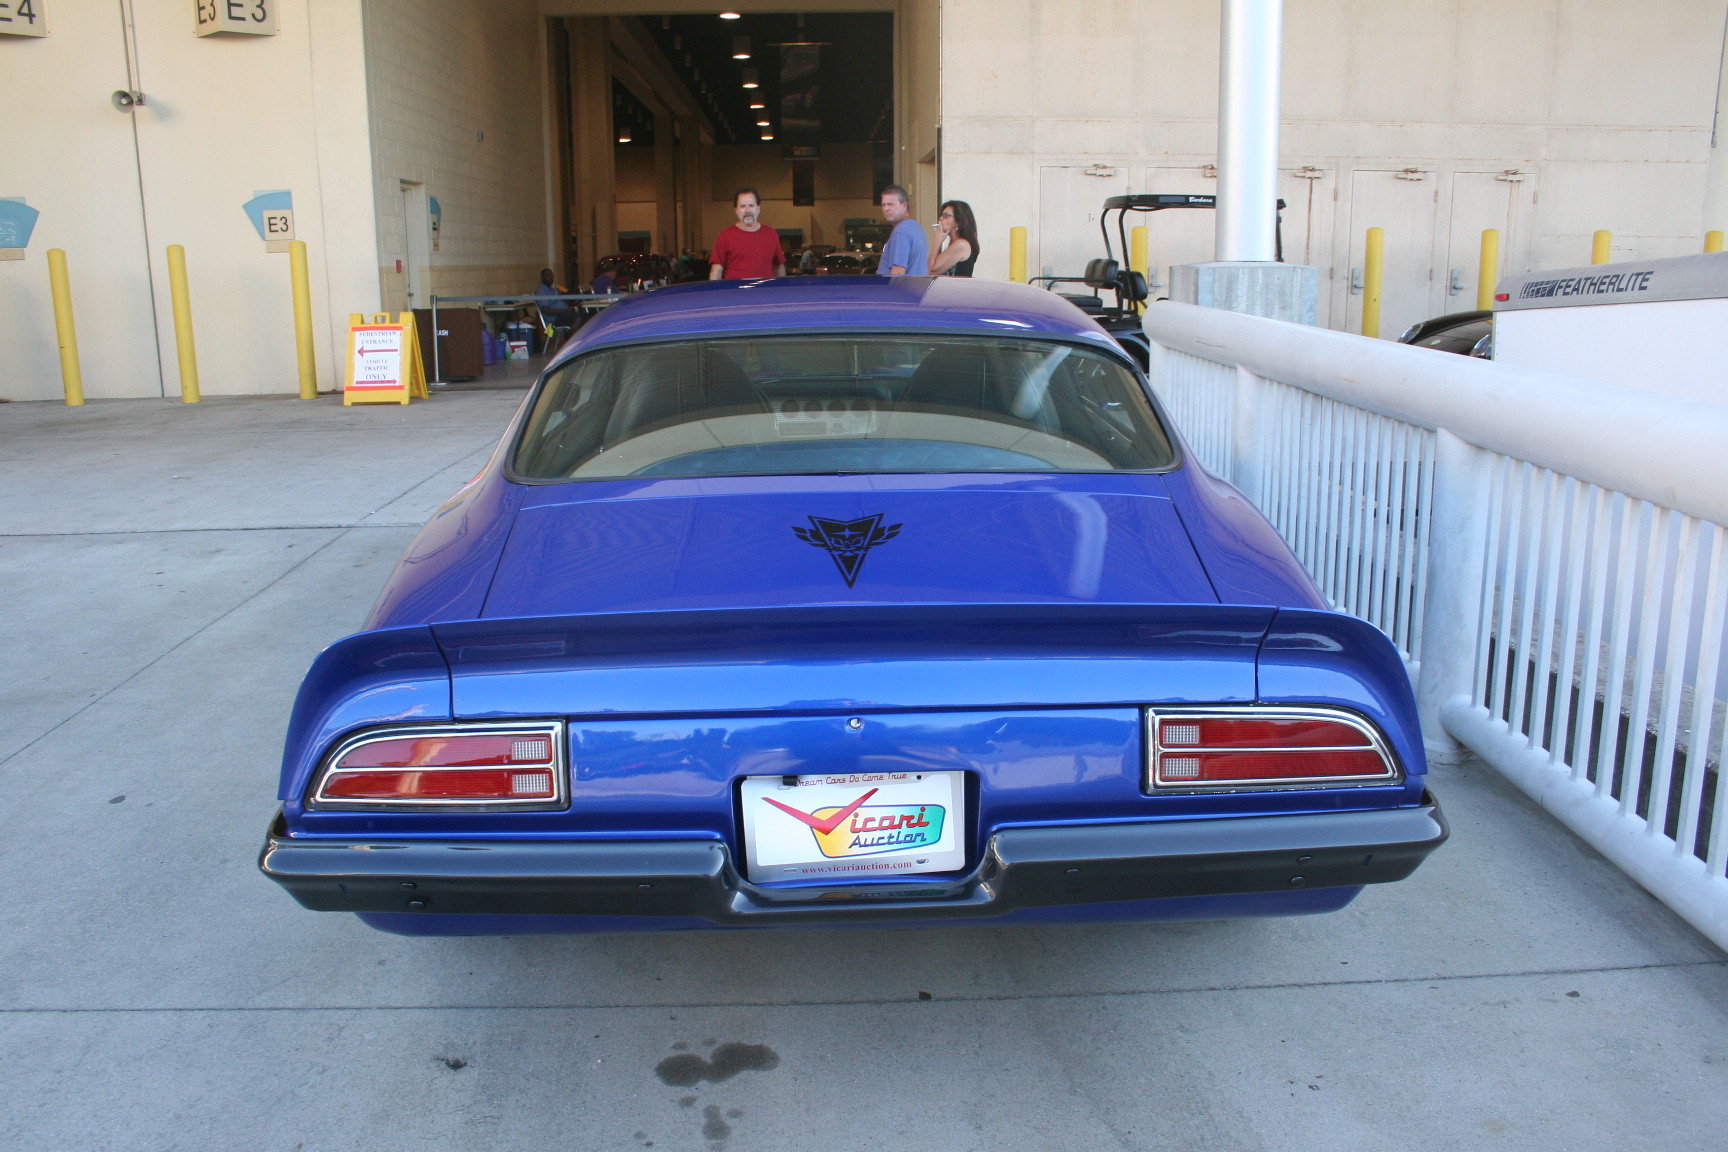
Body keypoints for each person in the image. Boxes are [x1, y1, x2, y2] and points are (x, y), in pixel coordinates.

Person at [709, 187, 786, 280]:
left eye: (751, 205)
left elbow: (779, 266)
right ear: (736, 210)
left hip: (765, 292)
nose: (747, 210)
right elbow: (716, 271)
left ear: (758, 208)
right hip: (735, 293)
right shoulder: (724, 236)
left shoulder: (771, 234)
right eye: (742, 206)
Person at [876, 184, 928, 276]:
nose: (886, 209)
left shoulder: (900, 232)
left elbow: (897, 274)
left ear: (904, 205)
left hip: (900, 289)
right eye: (883, 205)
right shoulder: (915, 227)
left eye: (890, 204)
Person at [929, 200, 979, 277]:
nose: (941, 219)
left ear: (958, 221)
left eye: (946, 216)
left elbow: (930, 270)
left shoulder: (961, 244)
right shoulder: (955, 243)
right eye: (941, 215)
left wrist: (937, 241)